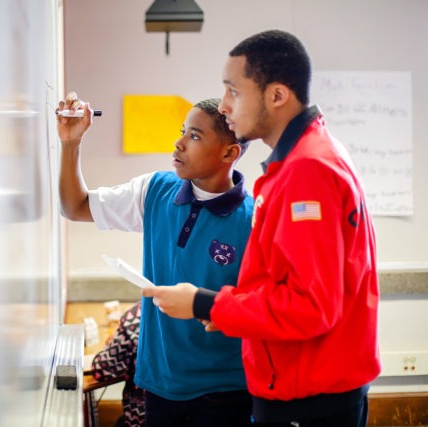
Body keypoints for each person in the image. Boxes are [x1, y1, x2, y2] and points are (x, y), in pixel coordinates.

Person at [143, 30, 381, 427]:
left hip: (309, 397)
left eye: (233, 91)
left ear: (276, 96)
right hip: (307, 387)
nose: (224, 105)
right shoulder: (305, 158)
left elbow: (310, 306)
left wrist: (205, 303)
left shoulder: (308, 171)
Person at [57, 94, 254, 426]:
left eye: (194, 136)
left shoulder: (254, 219)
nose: (178, 143)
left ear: (229, 152)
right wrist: (71, 144)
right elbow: (74, 206)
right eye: (182, 131)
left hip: (224, 394)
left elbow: (259, 307)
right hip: (159, 386)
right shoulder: (156, 189)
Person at [91, 301, 144, 427]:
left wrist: (113, 341)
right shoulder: (199, 310)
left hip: (142, 417)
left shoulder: (137, 317)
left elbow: (102, 370)